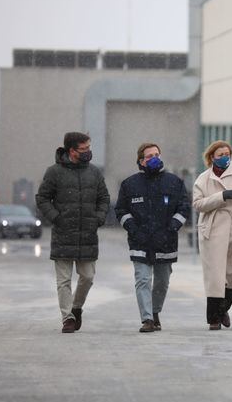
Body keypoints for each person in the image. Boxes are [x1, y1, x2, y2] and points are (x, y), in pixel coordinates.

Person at [35, 132, 110, 333]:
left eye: (89, 148)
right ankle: (67, 318)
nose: (88, 152)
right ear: (72, 151)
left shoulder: (94, 173)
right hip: (63, 234)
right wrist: (56, 217)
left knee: (88, 277)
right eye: (83, 149)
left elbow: (104, 198)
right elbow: (42, 198)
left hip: (87, 234)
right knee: (64, 280)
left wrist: (99, 217)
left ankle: (76, 308)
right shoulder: (54, 172)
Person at [114, 143, 190, 333]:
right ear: (141, 161)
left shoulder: (174, 182)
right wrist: (132, 228)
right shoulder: (130, 184)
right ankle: (147, 319)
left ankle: (155, 312)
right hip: (140, 241)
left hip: (166, 241)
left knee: (162, 282)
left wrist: (173, 227)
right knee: (143, 280)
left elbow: (184, 207)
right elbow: (121, 210)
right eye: (150, 156)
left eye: (157, 154)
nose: (154, 158)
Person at [193, 140, 232, 330]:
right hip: (212, 230)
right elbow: (198, 204)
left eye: (227, 154)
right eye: (220, 155)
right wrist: (221, 197)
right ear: (212, 157)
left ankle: (223, 309)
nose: (224, 158)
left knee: (231, 274)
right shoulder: (203, 179)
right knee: (215, 275)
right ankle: (214, 318)